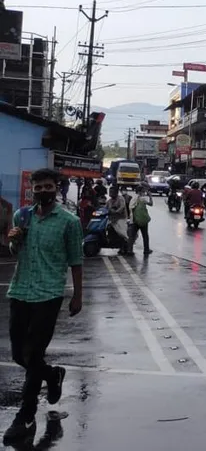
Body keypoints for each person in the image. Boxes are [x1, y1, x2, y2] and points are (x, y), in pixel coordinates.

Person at [3, 168, 83, 445]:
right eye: (38, 188)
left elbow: (76, 260)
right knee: (18, 355)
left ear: (56, 188)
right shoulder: (22, 217)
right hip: (21, 290)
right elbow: (14, 252)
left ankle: (25, 417)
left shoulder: (68, 222)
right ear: (33, 190)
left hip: (49, 295)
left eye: (48, 187)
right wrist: (13, 240)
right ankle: (53, 374)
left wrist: (77, 296)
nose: (42, 192)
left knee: (32, 352)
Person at [129, 185, 153, 255]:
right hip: (142, 220)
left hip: (134, 220)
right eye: (143, 191)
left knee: (132, 236)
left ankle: (130, 250)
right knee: (145, 235)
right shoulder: (142, 199)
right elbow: (151, 204)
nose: (144, 193)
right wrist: (150, 196)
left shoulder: (133, 198)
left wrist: (134, 218)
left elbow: (131, 208)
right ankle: (146, 250)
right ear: (140, 192)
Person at [106, 186, 129, 255]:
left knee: (121, 232)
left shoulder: (120, 199)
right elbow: (105, 208)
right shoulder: (109, 201)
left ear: (116, 193)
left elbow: (122, 207)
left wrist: (116, 211)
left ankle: (127, 244)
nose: (110, 193)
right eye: (110, 192)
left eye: (112, 192)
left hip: (121, 218)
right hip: (112, 219)